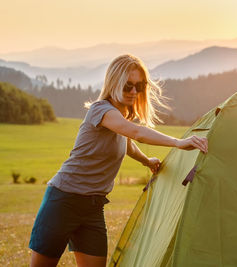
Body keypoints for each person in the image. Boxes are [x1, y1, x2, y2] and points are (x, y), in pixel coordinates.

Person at [29, 54, 208, 267]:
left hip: (93, 207)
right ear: (114, 84)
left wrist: (146, 160)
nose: (134, 92)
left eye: (139, 86)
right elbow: (135, 133)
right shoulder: (101, 110)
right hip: (63, 200)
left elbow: (127, 141)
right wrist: (179, 143)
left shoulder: (122, 115)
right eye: (128, 86)